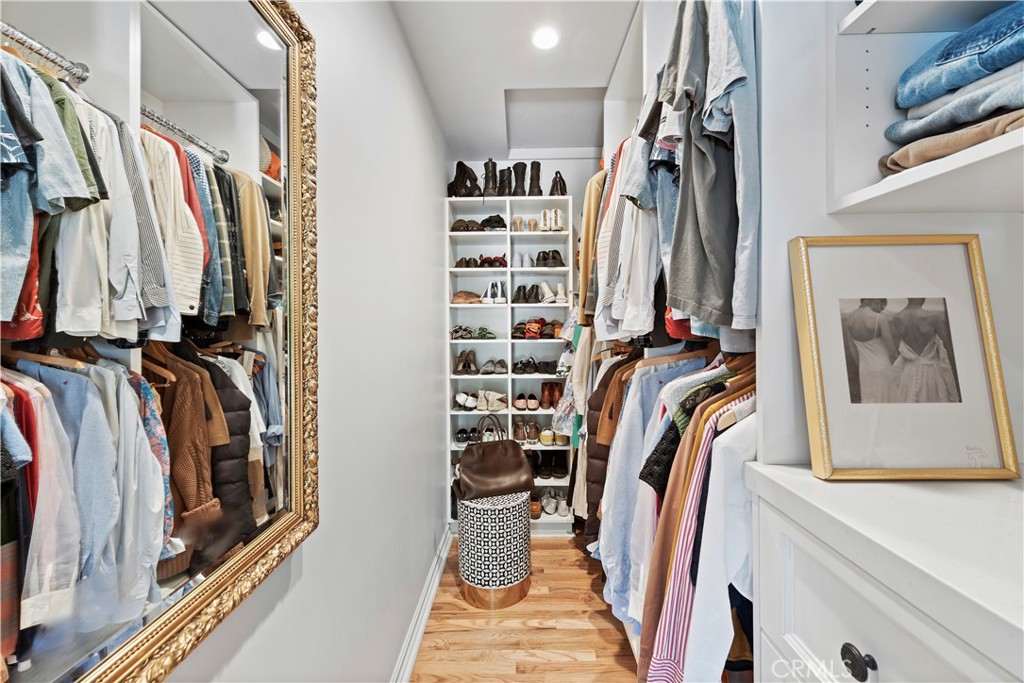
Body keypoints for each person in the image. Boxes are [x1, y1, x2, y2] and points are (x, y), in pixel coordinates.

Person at [891, 299, 961, 403]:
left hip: (908, 373)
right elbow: (948, 349)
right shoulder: (933, 318)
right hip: (932, 373)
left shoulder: (897, 318)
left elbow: (896, 348)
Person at [842, 298, 897, 403]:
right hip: (884, 369)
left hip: (864, 371)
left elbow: (852, 350)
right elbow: (892, 352)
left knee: (870, 404)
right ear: (877, 302)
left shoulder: (850, 320)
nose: (880, 311)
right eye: (881, 308)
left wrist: (862, 366)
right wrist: (899, 370)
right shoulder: (880, 319)